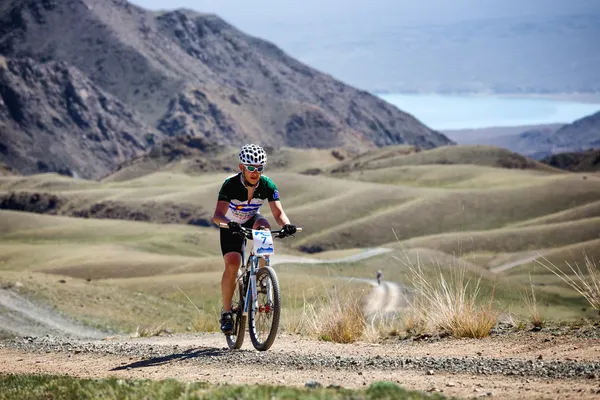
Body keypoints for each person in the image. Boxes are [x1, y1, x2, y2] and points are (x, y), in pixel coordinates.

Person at [212, 144, 297, 334]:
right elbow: (217, 215)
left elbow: (278, 212)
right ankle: (226, 313)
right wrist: (229, 223)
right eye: (251, 168)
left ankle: (262, 275)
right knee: (233, 263)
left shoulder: (268, 184)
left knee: (264, 226)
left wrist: (286, 225)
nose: (255, 172)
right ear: (241, 167)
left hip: (251, 219)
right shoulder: (230, 184)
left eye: (259, 168)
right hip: (230, 225)